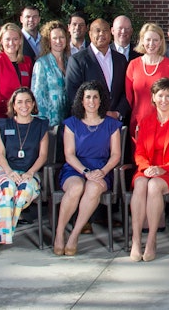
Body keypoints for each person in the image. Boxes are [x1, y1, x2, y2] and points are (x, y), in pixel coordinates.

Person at [54, 81, 123, 256]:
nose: (91, 101)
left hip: (101, 169)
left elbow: (116, 155)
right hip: (75, 168)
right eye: (88, 97)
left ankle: (74, 235)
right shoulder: (71, 124)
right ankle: (60, 234)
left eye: (95, 97)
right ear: (82, 101)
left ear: (101, 100)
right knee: (76, 187)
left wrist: (103, 171)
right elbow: (69, 154)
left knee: (93, 188)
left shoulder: (111, 124)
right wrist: (85, 172)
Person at [129, 78, 169, 262]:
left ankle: (151, 240)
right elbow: (139, 152)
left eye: (168, 96)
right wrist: (147, 168)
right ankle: (136, 240)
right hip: (147, 169)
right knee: (140, 184)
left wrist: (162, 169)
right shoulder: (146, 121)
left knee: (154, 186)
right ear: (153, 98)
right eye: (160, 95)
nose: (164, 100)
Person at [0, 87, 49, 252]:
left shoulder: (40, 125)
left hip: (30, 172)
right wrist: (9, 172)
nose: (24, 105)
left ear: (33, 104)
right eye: (19, 102)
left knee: (22, 193)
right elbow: (0, 154)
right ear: (13, 105)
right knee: (8, 189)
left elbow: (43, 155)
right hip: (6, 170)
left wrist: (30, 172)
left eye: (28, 101)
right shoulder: (5, 125)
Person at [65, 19, 130, 123]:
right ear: (90, 34)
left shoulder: (121, 59)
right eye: (98, 30)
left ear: (110, 33)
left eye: (105, 30)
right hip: (88, 122)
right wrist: (93, 114)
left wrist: (118, 112)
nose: (101, 34)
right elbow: (73, 93)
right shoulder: (77, 60)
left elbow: (127, 90)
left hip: (115, 121)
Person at [125, 23, 169, 140]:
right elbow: (129, 97)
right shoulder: (133, 65)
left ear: (161, 42)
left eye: (155, 40)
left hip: (163, 124)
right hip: (138, 124)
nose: (151, 44)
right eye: (148, 40)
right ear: (142, 41)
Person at [0, 22, 33, 121]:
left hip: (22, 115)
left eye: (15, 39)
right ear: (1, 41)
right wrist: (12, 107)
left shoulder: (27, 61)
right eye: (7, 39)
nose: (11, 43)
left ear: (20, 41)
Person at [31, 20, 71, 126]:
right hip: (49, 121)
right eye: (54, 38)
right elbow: (37, 97)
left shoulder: (70, 62)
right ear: (48, 41)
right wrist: (42, 125)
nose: (58, 41)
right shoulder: (42, 63)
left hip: (68, 119)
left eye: (62, 37)